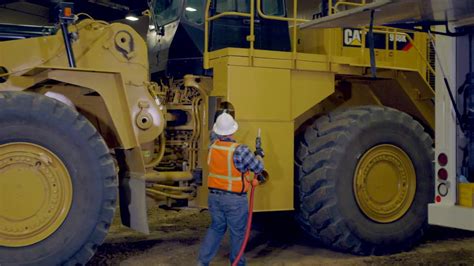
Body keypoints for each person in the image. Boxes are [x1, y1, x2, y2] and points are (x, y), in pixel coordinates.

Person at [198, 112, 264, 266]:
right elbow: (258, 167)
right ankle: (237, 263)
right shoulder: (241, 150)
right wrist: (259, 154)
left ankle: (202, 262)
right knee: (237, 233)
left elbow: (216, 139)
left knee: (216, 228)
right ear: (233, 131)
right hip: (234, 200)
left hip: (214, 198)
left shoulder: (212, 147)